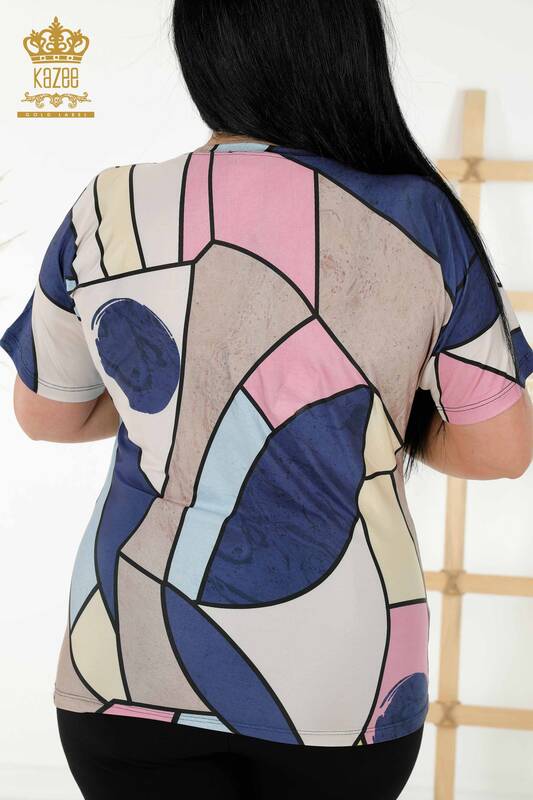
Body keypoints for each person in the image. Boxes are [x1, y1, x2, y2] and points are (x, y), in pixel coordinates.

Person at [2, 1, 533, 798]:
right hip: (344, 682)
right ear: (347, 47)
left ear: (203, 50)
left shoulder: (111, 205)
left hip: (126, 658)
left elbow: (48, 412)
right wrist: (375, 419)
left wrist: (179, 399)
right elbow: (500, 449)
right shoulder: (417, 217)